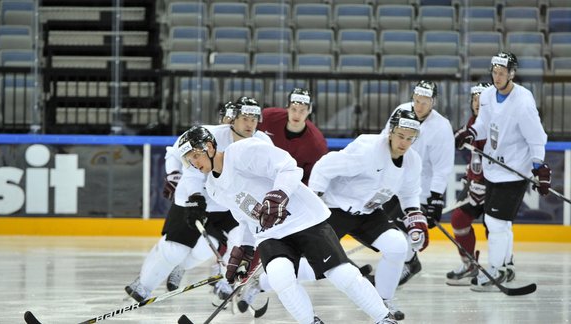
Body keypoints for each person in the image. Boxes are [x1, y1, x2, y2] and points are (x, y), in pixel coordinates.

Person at [180, 126, 398, 324]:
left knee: (340, 274)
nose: (194, 163)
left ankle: (384, 318)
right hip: (269, 234)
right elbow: (245, 219)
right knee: (279, 275)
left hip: (304, 219)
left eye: (196, 156)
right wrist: (244, 251)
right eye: (190, 160)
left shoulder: (242, 152)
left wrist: (278, 195)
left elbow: (289, 168)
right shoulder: (213, 187)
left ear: (209, 147)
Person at [125, 97, 272, 302]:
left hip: (227, 205)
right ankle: (144, 284)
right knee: (175, 249)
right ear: (233, 119)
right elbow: (185, 164)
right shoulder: (207, 136)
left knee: (207, 248)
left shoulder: (262, 143)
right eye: (245, 118)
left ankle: (205, 275)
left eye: (254, 119)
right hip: (195, 198)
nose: (250, 124)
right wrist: (187, 189)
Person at [305, 109, 427, 320]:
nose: (404, 142)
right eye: (400, 135)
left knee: (398, 245)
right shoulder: (367, 150)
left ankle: (383, 301)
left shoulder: (413, 161)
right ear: (391, 131)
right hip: (335, 209)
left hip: (369, 212)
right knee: (308, 267)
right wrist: (314, 200)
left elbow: (409, 195)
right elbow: (324, 167)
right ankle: (260, 284)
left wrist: (416, 221)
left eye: (410, 138)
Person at [455, 52, 551, 292]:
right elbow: (483, 125)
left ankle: (494, 271)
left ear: (512, 74)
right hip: (492, 170)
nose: (497, 77)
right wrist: (470, 134)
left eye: (502, 73)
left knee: (495, 222)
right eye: (494, 72)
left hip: (514, 171)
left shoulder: (523, 102)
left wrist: (539, 167)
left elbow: (537, 138)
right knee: (501, 224)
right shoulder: (487, 95)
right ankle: (506, 267)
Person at [380, 80, 455, 285]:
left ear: (433, 102)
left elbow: (442, 167)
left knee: (404, 228)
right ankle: (407, 261)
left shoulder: (441, 127)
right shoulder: (401, 111)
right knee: (381, 226)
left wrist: (436, 198)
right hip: (392, 182)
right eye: (416, 100)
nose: (419, 105)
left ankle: (409, 262)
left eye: (424, 101)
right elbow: (383, 140)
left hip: (419, 190)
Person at [445, 82, 493, 286]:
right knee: (458, 220)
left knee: (495, 228)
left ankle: (501, 265)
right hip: (475, 188)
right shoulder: (472, 123)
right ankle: (469, 264)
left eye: (482, 100)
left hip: (496, 187)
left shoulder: (497, 124)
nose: (477, 103)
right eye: (475, 99)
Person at [258, 88, 328, 185]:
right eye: (294, 109)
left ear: (309, 111)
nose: (297, 115)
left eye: (302, 110)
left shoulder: (317, 144)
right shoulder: (267, 117)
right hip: (259, 176)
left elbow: (313, 178)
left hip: (289, 187)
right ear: (287, 107)